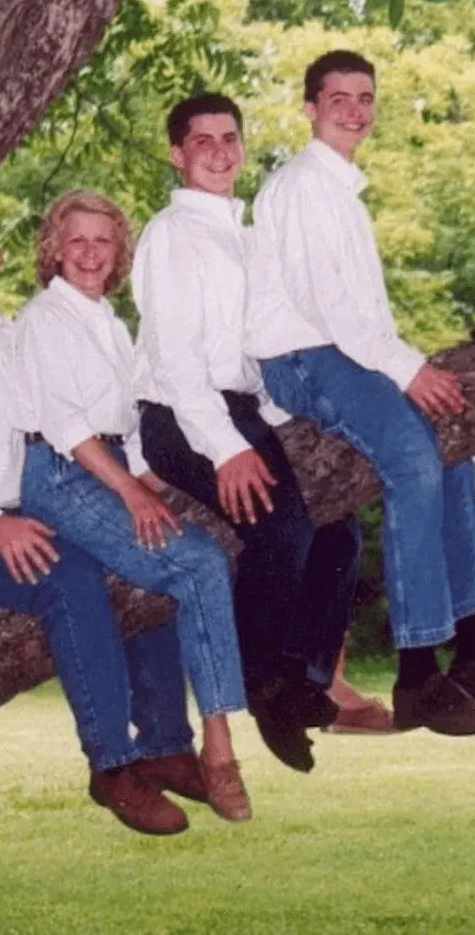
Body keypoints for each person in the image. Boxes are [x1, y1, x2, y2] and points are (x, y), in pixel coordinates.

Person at [247, 50, 475, 736]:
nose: (355, 111)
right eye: (339, 99)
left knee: (453, 450)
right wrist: (406, 368)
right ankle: (418, 673)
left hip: (343, 352)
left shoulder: (342, 194)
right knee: (413, 459)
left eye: (366, 98)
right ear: (310, 108)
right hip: (303, 358)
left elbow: (363, 316)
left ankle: (474, 648)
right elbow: (325, 306)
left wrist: (399, 367)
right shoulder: (301, 186)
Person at [0, 202, 208, 837]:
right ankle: (112, 765)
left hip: (32, 510)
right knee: (72, 580)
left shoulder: (13, 336)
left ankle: (167, 743)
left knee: (142, 554)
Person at [132, 94, 364, 773]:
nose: (218, 152)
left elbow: (257, 347)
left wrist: (289, 415)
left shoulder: (248, 236)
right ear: (177, 155)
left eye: (228, 138)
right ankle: (263, 686)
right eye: (200, 141)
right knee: (281, 529)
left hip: (241, 407)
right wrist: (227, 448)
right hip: (181, 414)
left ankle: (306, 678)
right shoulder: (172, 234)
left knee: (339, 530)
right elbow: (177, 359)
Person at [11, 189, 250, 822]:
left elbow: (129, 426)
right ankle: (220, 748)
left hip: (105, 462)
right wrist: (130, 491)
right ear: (54, 249)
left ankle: (166, 748)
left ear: (119, 252)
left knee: (173, 566)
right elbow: (66, 425)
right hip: (60, 471)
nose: (90, 253)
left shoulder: (113, 324)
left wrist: (155, 484)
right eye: (77, 240)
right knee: (197, 563)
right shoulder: (45, 319)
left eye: (104, 240)